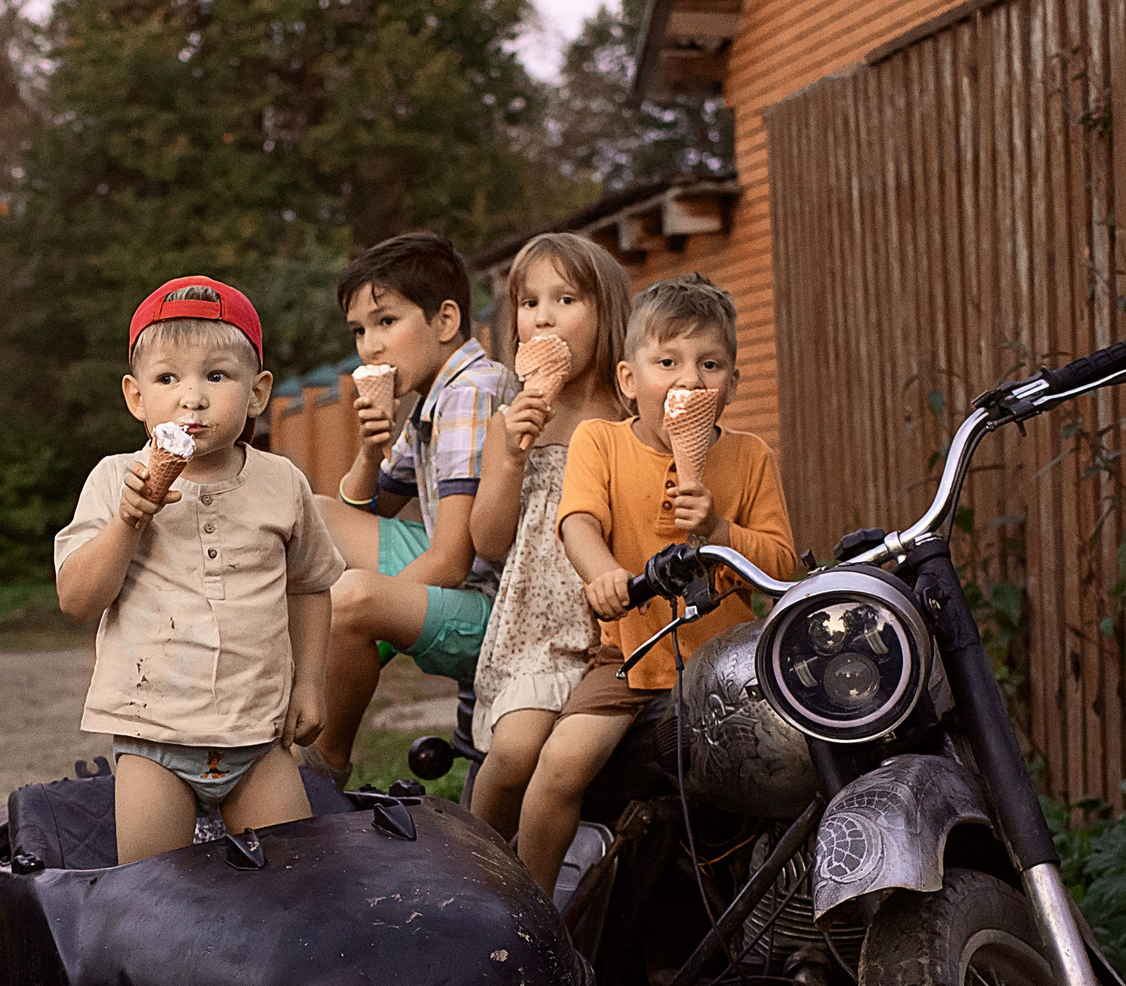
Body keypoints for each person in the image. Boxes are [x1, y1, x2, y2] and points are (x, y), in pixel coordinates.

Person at [516, 274, 797, 894]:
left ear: (731, 387)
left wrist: (722, 528)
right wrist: (605, 576)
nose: (689, 381)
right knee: (560, 767)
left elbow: (780, 568)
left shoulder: (750, 457)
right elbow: (579, 523)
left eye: (710, 364)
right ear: (628, 380)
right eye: (666, 362)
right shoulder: (601, 441)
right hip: (631, 658)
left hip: (730, 667)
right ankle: (531, 914)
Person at [55, 276, 342, 862]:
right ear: (136, 398)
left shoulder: (283, 483)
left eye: (216, 376)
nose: (193, 398)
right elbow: (77, 601)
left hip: (259, 735)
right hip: (152, 732)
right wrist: (128, 523)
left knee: (291, 884)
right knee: (153, 890)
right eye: (168, 378)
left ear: (258, 392)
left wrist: (310, 682)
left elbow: (310, 586)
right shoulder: (115, 479)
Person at [307, 231, 518, 784]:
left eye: (385, 322)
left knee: (349, 601)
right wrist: (370, 450)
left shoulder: (470, 391)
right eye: (359, 330)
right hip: (464, 581)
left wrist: (359, 633)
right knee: (313, 514)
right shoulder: (432, 396)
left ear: (445, 322)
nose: (370, 347)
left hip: (500, 612)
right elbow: (359, 508)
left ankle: (326, 763)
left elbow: (452, 561)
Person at [465, 232, 633, 841]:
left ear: (607, 314)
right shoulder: (510, 420)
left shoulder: (630, 417)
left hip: (613, 625)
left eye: (565, 299)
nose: (543, 316)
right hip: (537, 627)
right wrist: (509, 458)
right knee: (513, 755)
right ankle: (475, 872)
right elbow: (486, 540)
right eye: (528, 302)